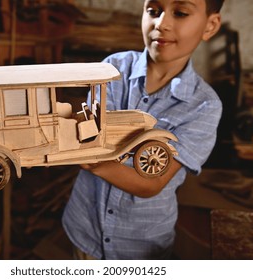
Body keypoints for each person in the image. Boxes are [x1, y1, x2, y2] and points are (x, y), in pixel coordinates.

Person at [62, 0, 225, 259]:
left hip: (141, 246)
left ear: (210, 25)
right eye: (153, 11)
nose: (161, 23)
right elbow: (91, 130)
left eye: (180, 13)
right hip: (85, 227)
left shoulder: (204, 106)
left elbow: (151, 183)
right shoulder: (112, 69)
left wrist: (94, 161)